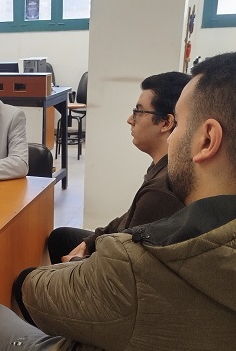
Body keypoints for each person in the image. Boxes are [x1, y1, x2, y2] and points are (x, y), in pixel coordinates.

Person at [0, 51, 236, 351]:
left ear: (206, 139)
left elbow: (35, 290)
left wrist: (79, 267)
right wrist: (95, 244)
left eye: (180, 124)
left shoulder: (142, 263)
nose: (171, 140)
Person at [48, 71, 190, 264]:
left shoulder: (162, 190)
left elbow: (121, 266)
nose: (130, 119)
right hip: (123, 252)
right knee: (61, 237)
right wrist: (90, 241)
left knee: (28, 276)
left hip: (124, 270)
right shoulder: (165, 164)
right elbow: (129, 217)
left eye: (139, 112)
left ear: (166, 122)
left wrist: (75, 263)